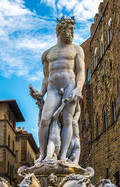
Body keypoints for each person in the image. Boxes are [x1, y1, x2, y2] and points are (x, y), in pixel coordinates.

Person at [29, 16, 85, 163]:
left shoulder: (77, 49)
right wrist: (41, 92)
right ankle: (42, 155)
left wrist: (78, 88)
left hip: (70, 87)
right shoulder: (47, 54)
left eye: (73, 30)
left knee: (67, 119)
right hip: (53, 88)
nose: (72, 33)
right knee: (45, 120)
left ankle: (62, 157)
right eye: (70, 29)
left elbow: (81, 72)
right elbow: (46, 77)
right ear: (60, 30)